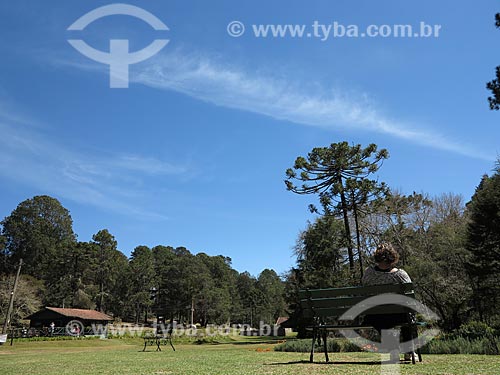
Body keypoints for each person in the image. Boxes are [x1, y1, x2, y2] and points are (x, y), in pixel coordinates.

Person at [362, 242, 414, 362]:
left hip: (374, 316)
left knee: (380, 317)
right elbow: (410, 295)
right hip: (398, 315)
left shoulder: (368, 273)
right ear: (393, 257)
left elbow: (364, 292)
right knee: (408, 314)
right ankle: (409, 352)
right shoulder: (400, 275)